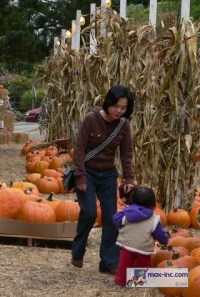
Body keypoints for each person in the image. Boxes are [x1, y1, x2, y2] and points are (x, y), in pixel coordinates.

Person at [70, 85, 136, 273]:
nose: (119, 111)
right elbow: (80, 149)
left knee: (110, 218)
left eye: (123, 108)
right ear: (108, 103)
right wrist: (80, 176)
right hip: (88, 173)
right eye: (116, 106)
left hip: (108, 174)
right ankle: (77, 251)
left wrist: (129, 178)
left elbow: (126, 153)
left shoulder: (123, 125)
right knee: (90, 213)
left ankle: (108, 262)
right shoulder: (92, 119)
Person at [113, 186, 169, 286]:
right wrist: (165, 240)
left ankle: (121, 281)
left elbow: (115, 220)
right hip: (144, 248)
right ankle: (137, 281)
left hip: (127, 244)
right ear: (153, 205)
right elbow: (160, 234)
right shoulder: (154, 219)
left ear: (132, 201)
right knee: (143, 264)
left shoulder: (126, 214)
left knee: (124, 264)